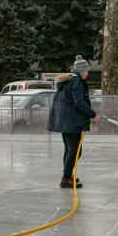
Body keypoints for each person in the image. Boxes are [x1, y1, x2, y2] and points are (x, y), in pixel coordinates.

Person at [47, 55, 101, 188]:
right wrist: (93, 115)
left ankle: (68, 175)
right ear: (81, 71)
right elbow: (78, 102)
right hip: (71, 121)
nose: (87, 74)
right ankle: (66, 178)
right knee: (75, 150)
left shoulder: (68, 81)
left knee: (69, 149)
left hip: (64, 119)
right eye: (87, 71)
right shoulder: (76, 81)